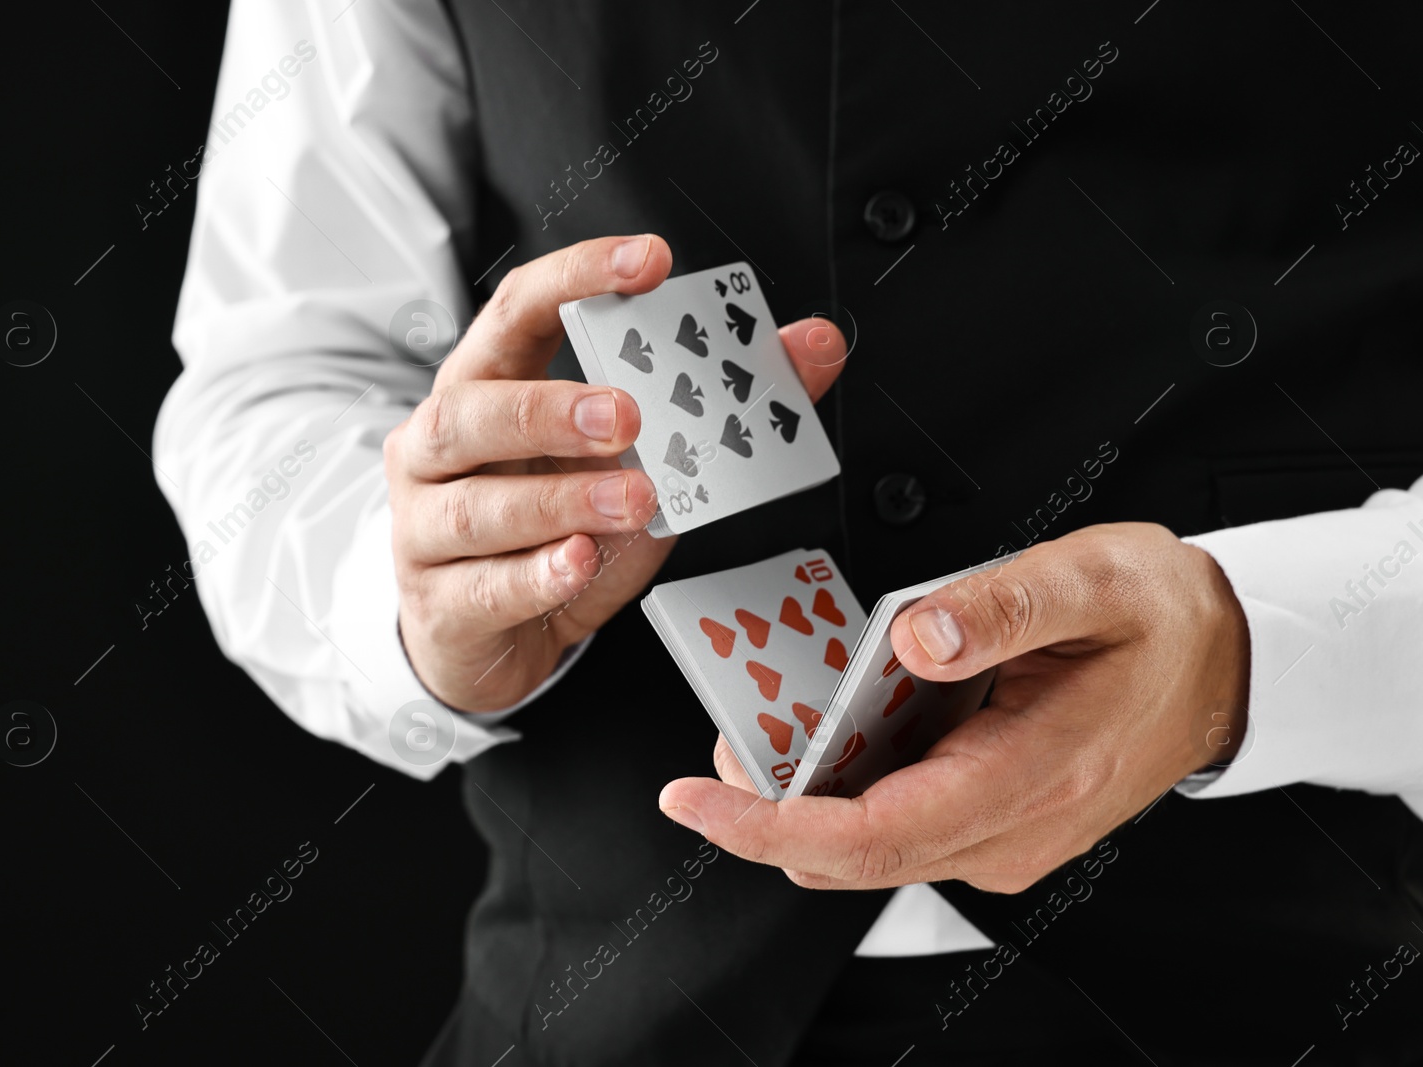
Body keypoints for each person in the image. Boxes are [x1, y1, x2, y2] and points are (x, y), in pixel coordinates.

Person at [154, 2, 1423, 1063]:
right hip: (608, 1000)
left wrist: (1259, 645)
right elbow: (288, 362)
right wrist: (407, 581)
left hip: (1325, 972)